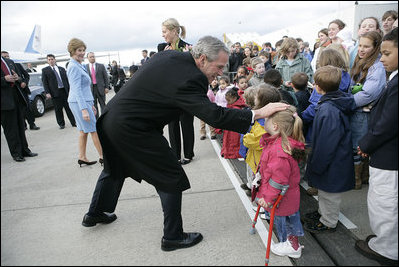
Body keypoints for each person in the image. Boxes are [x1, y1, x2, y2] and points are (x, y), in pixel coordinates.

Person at [81, 36, 290, 252]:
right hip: (133, 128)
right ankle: (173, 236)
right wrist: (258, 113)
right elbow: (215, 116)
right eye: (218, 66)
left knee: (114, 168)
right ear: (201, 59)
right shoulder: (191, 78)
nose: (220, 72)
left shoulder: (170, 56)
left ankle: (94, 213)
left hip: (110, 120)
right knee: (170, 176)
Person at [355, 27, 398, 266]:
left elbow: (388, 123)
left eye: (387, 53)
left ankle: (387, 248)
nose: (381, 58)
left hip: (389, 156)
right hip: (388, 152)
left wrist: (366, 143)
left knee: (385, 202)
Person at [302, 65, 355, 234]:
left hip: (332, 160)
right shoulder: (332, 103)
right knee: (325, 191)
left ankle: (328, 221)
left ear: (318, 86)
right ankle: (322, 213)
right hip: (333, 159)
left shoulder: (328, 109)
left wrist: (318, 163)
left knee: (330, 193)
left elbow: (328, 142)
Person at [255, 105, 306, 258]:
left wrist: (267, 198)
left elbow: (277, 180)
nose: (265, 121)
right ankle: (290, 242)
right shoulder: (279, 143)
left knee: (287, 221)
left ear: (275, 126)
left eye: (267, 119)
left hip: (281, 196)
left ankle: (292, 246)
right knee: (287, 218)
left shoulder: (279, 151)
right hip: (284, 194)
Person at [301, 48, 351, 196]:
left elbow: (316, 105)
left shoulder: (325, 84)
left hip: (320, 124)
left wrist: (301, 116)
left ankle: (318, 184)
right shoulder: (345, 77)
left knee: (321, 152)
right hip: (339, 124)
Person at [350, 31, 386, 189]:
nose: (362, 49)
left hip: (361, 113)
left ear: (376, 47)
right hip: (359, 111)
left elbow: (368, 94)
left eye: (366, 46)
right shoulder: (361, 61)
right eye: (360, 45)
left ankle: (357, 179)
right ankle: (363, 177)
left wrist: (347, 102)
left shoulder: (377, 67)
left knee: (357, 145)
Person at [158, 18, 194, 165]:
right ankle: (175, 155)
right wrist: (164, 56)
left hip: (185, 92)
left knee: (186, 123)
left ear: (174, 31)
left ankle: (188, 154)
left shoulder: (189, 48)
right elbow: (159, 69)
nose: (163, 35)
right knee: (172, 124)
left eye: (164, 31)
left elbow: (192, 70)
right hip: (169, 93)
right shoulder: (162, 48)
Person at [66, 38, 103, 167]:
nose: (82, 53)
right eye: (79, 50)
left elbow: (84, 88)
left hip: (82, 101)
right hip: (79, 102)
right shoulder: (73, 66)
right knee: (94, 129)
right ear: (72, 51)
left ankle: (82, 157)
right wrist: (84, 109)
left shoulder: (78, 65)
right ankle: (103, 157)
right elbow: (76, 90)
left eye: (83, 50)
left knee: (83, 130)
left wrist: (91, 104)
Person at [1, 54, 38, 162]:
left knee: (20, 126)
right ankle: (16, 153)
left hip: (16, 97)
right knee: (11, 129)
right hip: (4, 102)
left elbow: (20, 76)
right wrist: (4, 79)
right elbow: (5, 79)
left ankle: (25, 150)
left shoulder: (9, 61)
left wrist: (18, 78)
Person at [1, 51, 40, 131]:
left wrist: (24, 82)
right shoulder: (3, 69)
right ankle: (23, 126)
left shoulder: (17, 65)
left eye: (8, 56)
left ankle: (32, 124)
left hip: (22, 91)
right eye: (4, 56)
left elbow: (26, 75)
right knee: (19, 111)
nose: (7, 58)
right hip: (13, 93)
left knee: (27, 108)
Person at [275, 37, 313, 107]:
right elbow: (277, 79)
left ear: (297, 49)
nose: (290, 54)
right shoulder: (280, 64)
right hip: (287, 96)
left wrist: (300, 83)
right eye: (287, 52)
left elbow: (310, 75)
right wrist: (284, 83)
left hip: (302, 95)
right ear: (283, 51)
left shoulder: (304, 61)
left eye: (293, 51)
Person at [42, 54, 76, 129]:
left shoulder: (62, 69)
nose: (51, 61)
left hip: (64, 91)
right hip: (55, 93)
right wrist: (47, 92)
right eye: (49, 59)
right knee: (58, 110)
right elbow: (45, 83)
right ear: (47, 61)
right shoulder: (45, 70)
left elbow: (67, 80)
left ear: (55, 59)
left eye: (52, 59)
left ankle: (73, 122)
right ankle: (61, 124)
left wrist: (71, 90)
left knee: (69, 108)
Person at [221, 88, 246, 159]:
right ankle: (228, 152)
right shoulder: (233, 107)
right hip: (231, 128)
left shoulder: (236, 108)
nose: (227, 102)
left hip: (234, 129)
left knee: (234, 142)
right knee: (229, 141)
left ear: (234, 98)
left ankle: (231, 153)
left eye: (229, 100)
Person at [85, 52, 110, 119]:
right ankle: (97, 119)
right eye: (91, 57)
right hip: (91, 89)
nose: (92, 58)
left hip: (100, 88)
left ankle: (104, 119)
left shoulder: (101, 66)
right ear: (87, 58)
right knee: (94, 106)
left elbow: (106, 77)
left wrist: (107, 87)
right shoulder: (85, 67)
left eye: (93, 56)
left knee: (103, 104)